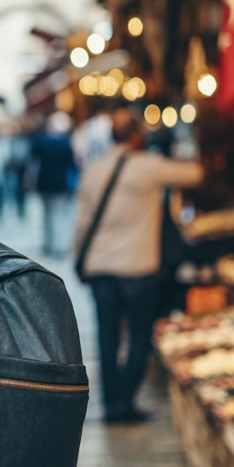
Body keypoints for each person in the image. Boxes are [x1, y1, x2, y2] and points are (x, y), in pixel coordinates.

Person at [72, 107, 203, 424]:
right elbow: (195, 174)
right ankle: (126, 399)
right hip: (137, 268)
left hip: (101, 267)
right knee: (141, 334)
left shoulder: (94, 169)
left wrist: (79, 258)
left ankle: (110, 403)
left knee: (108, 337)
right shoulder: (147, 166)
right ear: (136, 135)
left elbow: (81, 224)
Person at [30, 111, 77, 255]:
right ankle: (57, 246)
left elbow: (33, 164)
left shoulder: (41, 141)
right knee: (57, 215)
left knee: (46, 215)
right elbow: (72, 166)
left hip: (43, 183)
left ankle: (48, 244)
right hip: (60, 184)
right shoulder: (66, 144)